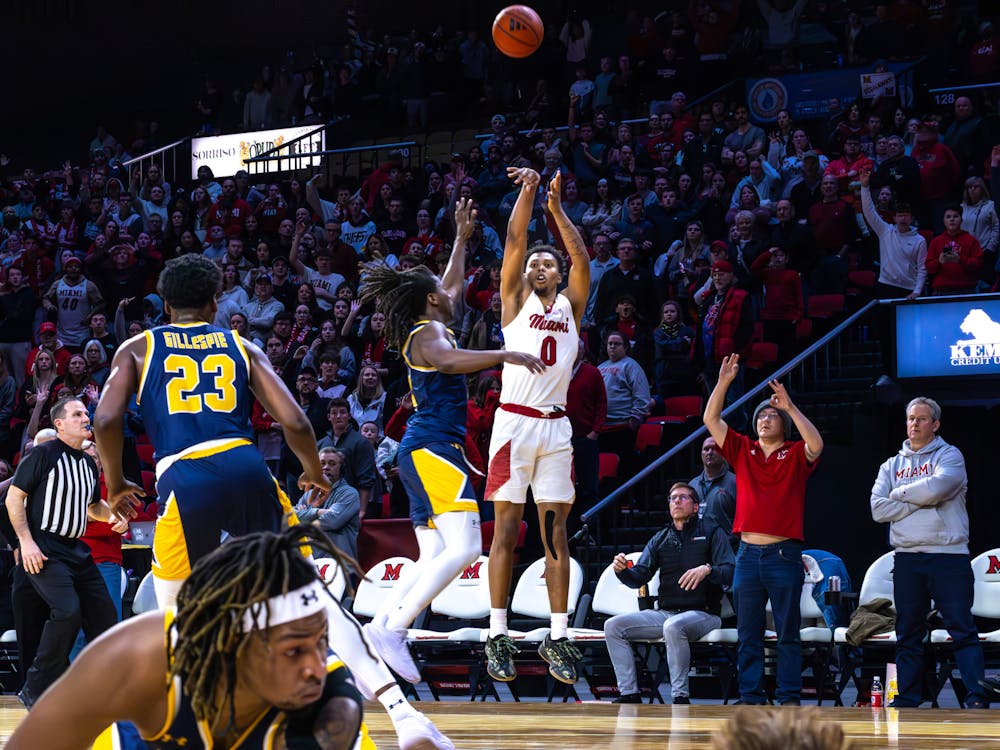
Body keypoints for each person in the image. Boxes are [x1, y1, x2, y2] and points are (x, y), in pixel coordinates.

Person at [358, 198, 545, 687]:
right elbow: (449, 361)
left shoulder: (431, 319)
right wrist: (506, 353)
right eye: (439, 290)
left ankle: (382, 626)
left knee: (435, 554)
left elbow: (453, 286)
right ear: (429, 300)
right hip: (434, 448)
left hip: (421, 450)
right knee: (463, 549)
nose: (450, 290)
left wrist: (461, 238)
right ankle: (393, 628)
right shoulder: (426, 335)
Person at [93, 254, 330, 609]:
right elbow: (296, 421)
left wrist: (115, 483)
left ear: (167, 304)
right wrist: (314, 472)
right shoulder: (242, 346)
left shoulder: (138, 347)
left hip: (184, 475)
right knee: (300, 596)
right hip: (246, 466)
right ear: (214, 302)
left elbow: (106, 420)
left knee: (179, 612)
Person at [7, 525, 373, 750]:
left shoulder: (333, 708)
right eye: (294, 650)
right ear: (233, 644)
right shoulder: (139, 656)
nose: (316, 668)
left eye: (321, 643)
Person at [484, 167, 590, 686]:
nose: (543, 264)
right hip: (513, 428)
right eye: (536, 263)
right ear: (526, 275)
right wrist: (528, 194)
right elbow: (514, 238)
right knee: (506, 530)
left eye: (550, 261)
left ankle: (559, 635)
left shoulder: (572, 306)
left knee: (555, 536)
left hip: (556, 430)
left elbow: (583, 259)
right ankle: (497, 634)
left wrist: (557, 209)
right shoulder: (513, 303)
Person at [703, 356, 823, 705]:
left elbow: (817, 445)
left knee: (787, 632)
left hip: (783, 554)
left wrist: (791, 407)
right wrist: (723, 382)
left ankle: (788, 696)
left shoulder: (796, 451)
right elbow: (710, 419)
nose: (764, 419)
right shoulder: (743, 449)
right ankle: (751, 695)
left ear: (783, 423)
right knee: (747, 633)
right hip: (747, 554)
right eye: (760, 416)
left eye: (771, 415)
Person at [870, 397, 989, 709]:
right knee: (907, 631)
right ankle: (908, 697)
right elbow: (877, 509)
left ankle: (977, 695)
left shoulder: (950, 456)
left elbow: (940, 488)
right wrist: (920, 497)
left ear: (935, 424)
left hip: (948, 555)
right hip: (907, 557)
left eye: (922, 419)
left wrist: (900, 495)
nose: (914, 424)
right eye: (911, 418)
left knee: (961, 629)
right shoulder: (891, 465)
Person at [5, 398, 121, 707]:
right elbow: (14, 499)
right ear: (59, 424)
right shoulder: (42, 454)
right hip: (45, 547)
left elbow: (93, 505)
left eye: (86, 412)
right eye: (78, 414)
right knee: (67, 611)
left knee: (106, 619)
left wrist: (113, 517)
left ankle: (104, 690)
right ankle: (36, 688)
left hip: (75, 550)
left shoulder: (86, 463)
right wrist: (25, 543)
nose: (86, 417)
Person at [605, 482, 734, 704]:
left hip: (704, 614)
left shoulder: (712, 531)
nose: (676, 501)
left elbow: (730, 571)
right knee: (613, 626)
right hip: (666, 613)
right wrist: (622, 571)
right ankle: (629, 693)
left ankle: (680, 696)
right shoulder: (661, 538)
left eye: (683, 498)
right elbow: (639, 576)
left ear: (695, 507)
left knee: (673, 627)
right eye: (673, 498)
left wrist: (707, 569)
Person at [295, 447, 360, 562]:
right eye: (322, 463)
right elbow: (291, 517)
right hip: (312, 565)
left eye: (332, 464)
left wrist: (304, 518)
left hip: (340, 566)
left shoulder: (350, 494)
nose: (326, 467)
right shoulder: (308, 494)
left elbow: (332, 521)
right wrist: (317, 512)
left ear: (341, 468)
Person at [690, 436, 737, 548]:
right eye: (706, 449)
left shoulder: (736, 483)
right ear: (701, 454)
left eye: (714, 448)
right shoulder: (692, 485)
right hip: (699, 548)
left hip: (728, 548)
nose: (709, 452)